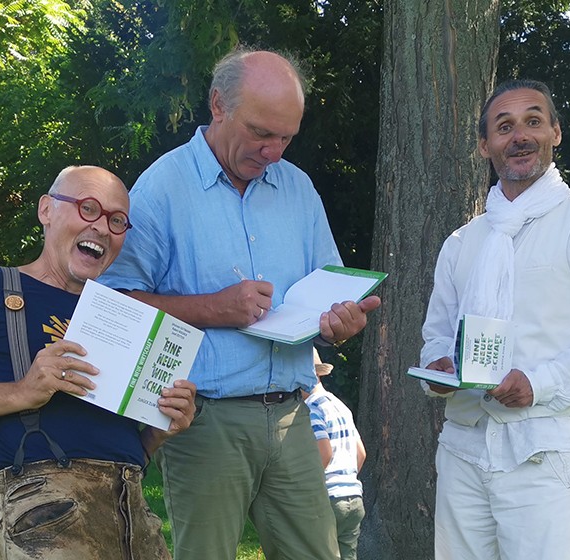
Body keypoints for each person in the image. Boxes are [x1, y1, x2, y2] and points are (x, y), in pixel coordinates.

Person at [98, 47, 381, 560]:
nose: (274, 150)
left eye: (286, 137)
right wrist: (214, 309)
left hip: (296, 416)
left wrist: (338, 323)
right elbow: (115, 305)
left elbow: (327, 293)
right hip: (204, 421)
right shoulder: (163, 187)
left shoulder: (298, 188)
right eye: (260, 132)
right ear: (217, 105)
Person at [0, 166, 197, 560]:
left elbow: (120, 445)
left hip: (133, 515)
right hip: (45, 518)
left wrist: (159, 428)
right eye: (88, 209)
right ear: (46, 210)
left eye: (117, 220)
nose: (102, 227)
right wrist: (23, 391)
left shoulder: (122, 315)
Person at [418, 79, 570, 559]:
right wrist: (437, 371)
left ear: (555, 132)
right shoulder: (461, 243)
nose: (520, 136)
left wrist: (536, 384)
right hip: (462, 449)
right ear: (484, 145)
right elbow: (436, 337)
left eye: (533, 121)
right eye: (504, 126)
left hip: (543, 449)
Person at [303, 349, 367, 560]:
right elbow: (361, 453)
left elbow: (324, 452)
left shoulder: (310, 408)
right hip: (353, 497)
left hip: (328, 498)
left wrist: (305, 488)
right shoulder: (339, 405)